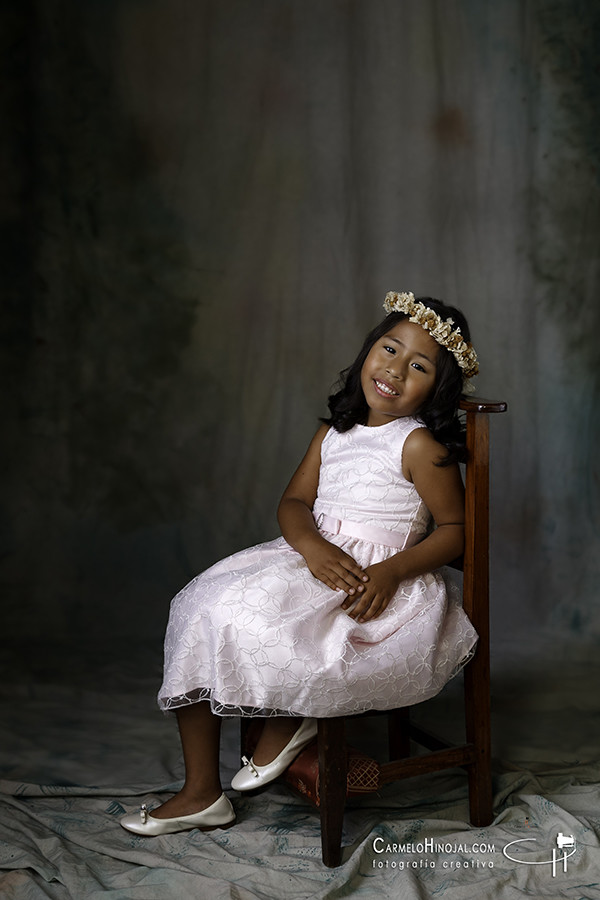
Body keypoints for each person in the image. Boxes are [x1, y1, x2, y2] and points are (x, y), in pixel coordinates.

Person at [120, 291, 480, 836]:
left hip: (375, 581)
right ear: (367, 351)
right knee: (202, 605)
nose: (394, 370)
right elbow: (293, 503)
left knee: (282, 625)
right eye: (389, 349)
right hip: (315, 559)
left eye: (419, 365)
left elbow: (456, 532)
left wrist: (392, 571)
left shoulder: (418, 446)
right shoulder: (334, 432)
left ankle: (290, 721)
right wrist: (311, 547)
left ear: (438, 388)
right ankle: (201, 791)